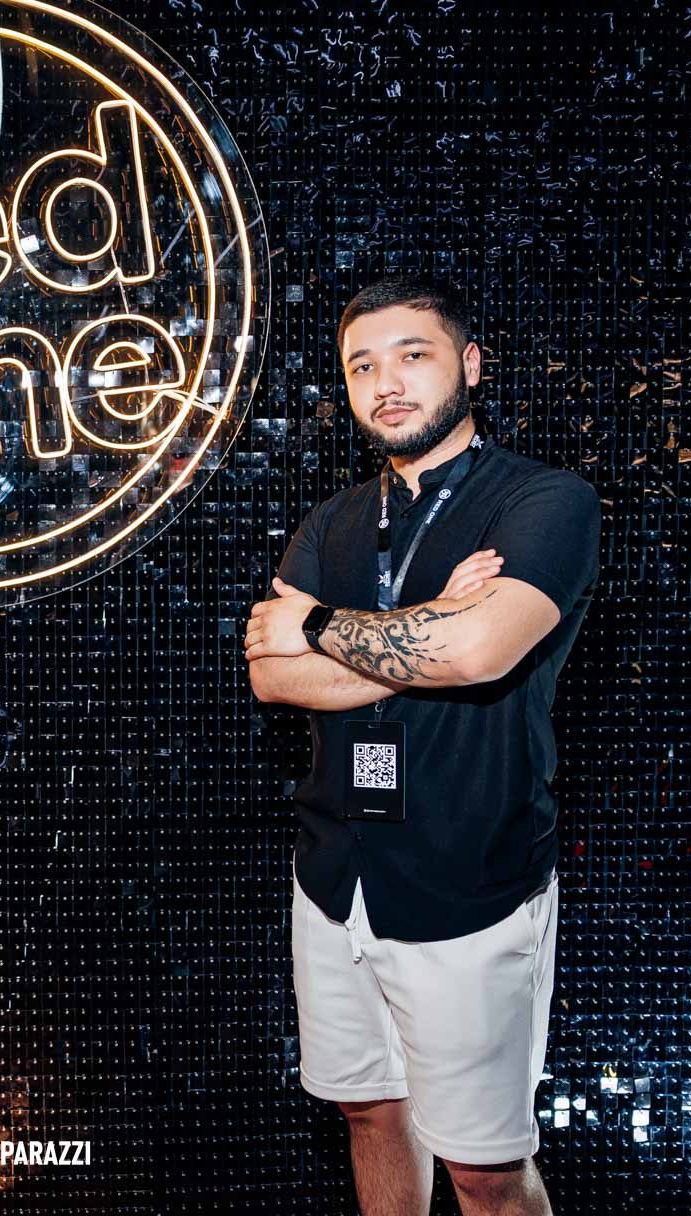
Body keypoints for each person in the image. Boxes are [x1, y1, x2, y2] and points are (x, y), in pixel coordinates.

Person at [244, 276, 601, 1216]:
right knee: (370, 1111)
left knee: (484, 1168)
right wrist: (430, 622)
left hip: (468, 884)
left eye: (413, 354)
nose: (387, 382)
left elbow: (480, 653)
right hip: (334, 877)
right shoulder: (332, 520)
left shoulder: (545, 501)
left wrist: (321, 626)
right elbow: (271, 676)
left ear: (470, 365)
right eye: (362, 366)